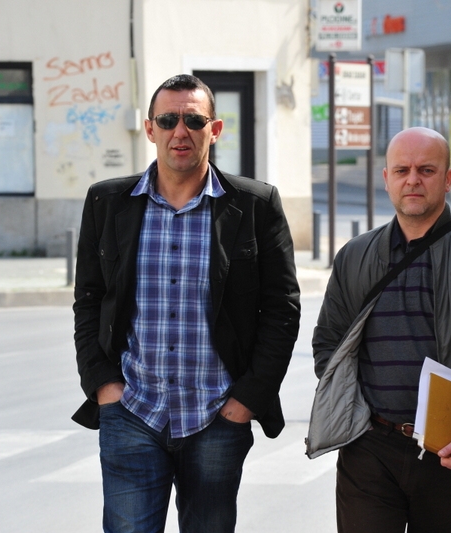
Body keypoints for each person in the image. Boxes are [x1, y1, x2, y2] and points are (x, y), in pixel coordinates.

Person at [71, 74, 301, 532]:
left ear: (214, 130)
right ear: (150, 129)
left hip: (217, 415)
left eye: (194, 120)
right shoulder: (107, 202)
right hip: (132, 411)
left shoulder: (255, 205)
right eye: (168, 120)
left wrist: (246, 401)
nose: (181, 131)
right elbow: (89, 301)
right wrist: (104, 387)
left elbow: (282, 309)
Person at [308, 127, 451, 533]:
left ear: (448, 178)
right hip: (368, 447)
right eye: (402, 170)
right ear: (386, 178)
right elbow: (329, 342)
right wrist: (354, 412)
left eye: (426, 170)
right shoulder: (355, 254)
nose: (413, 180)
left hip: (449, 447)